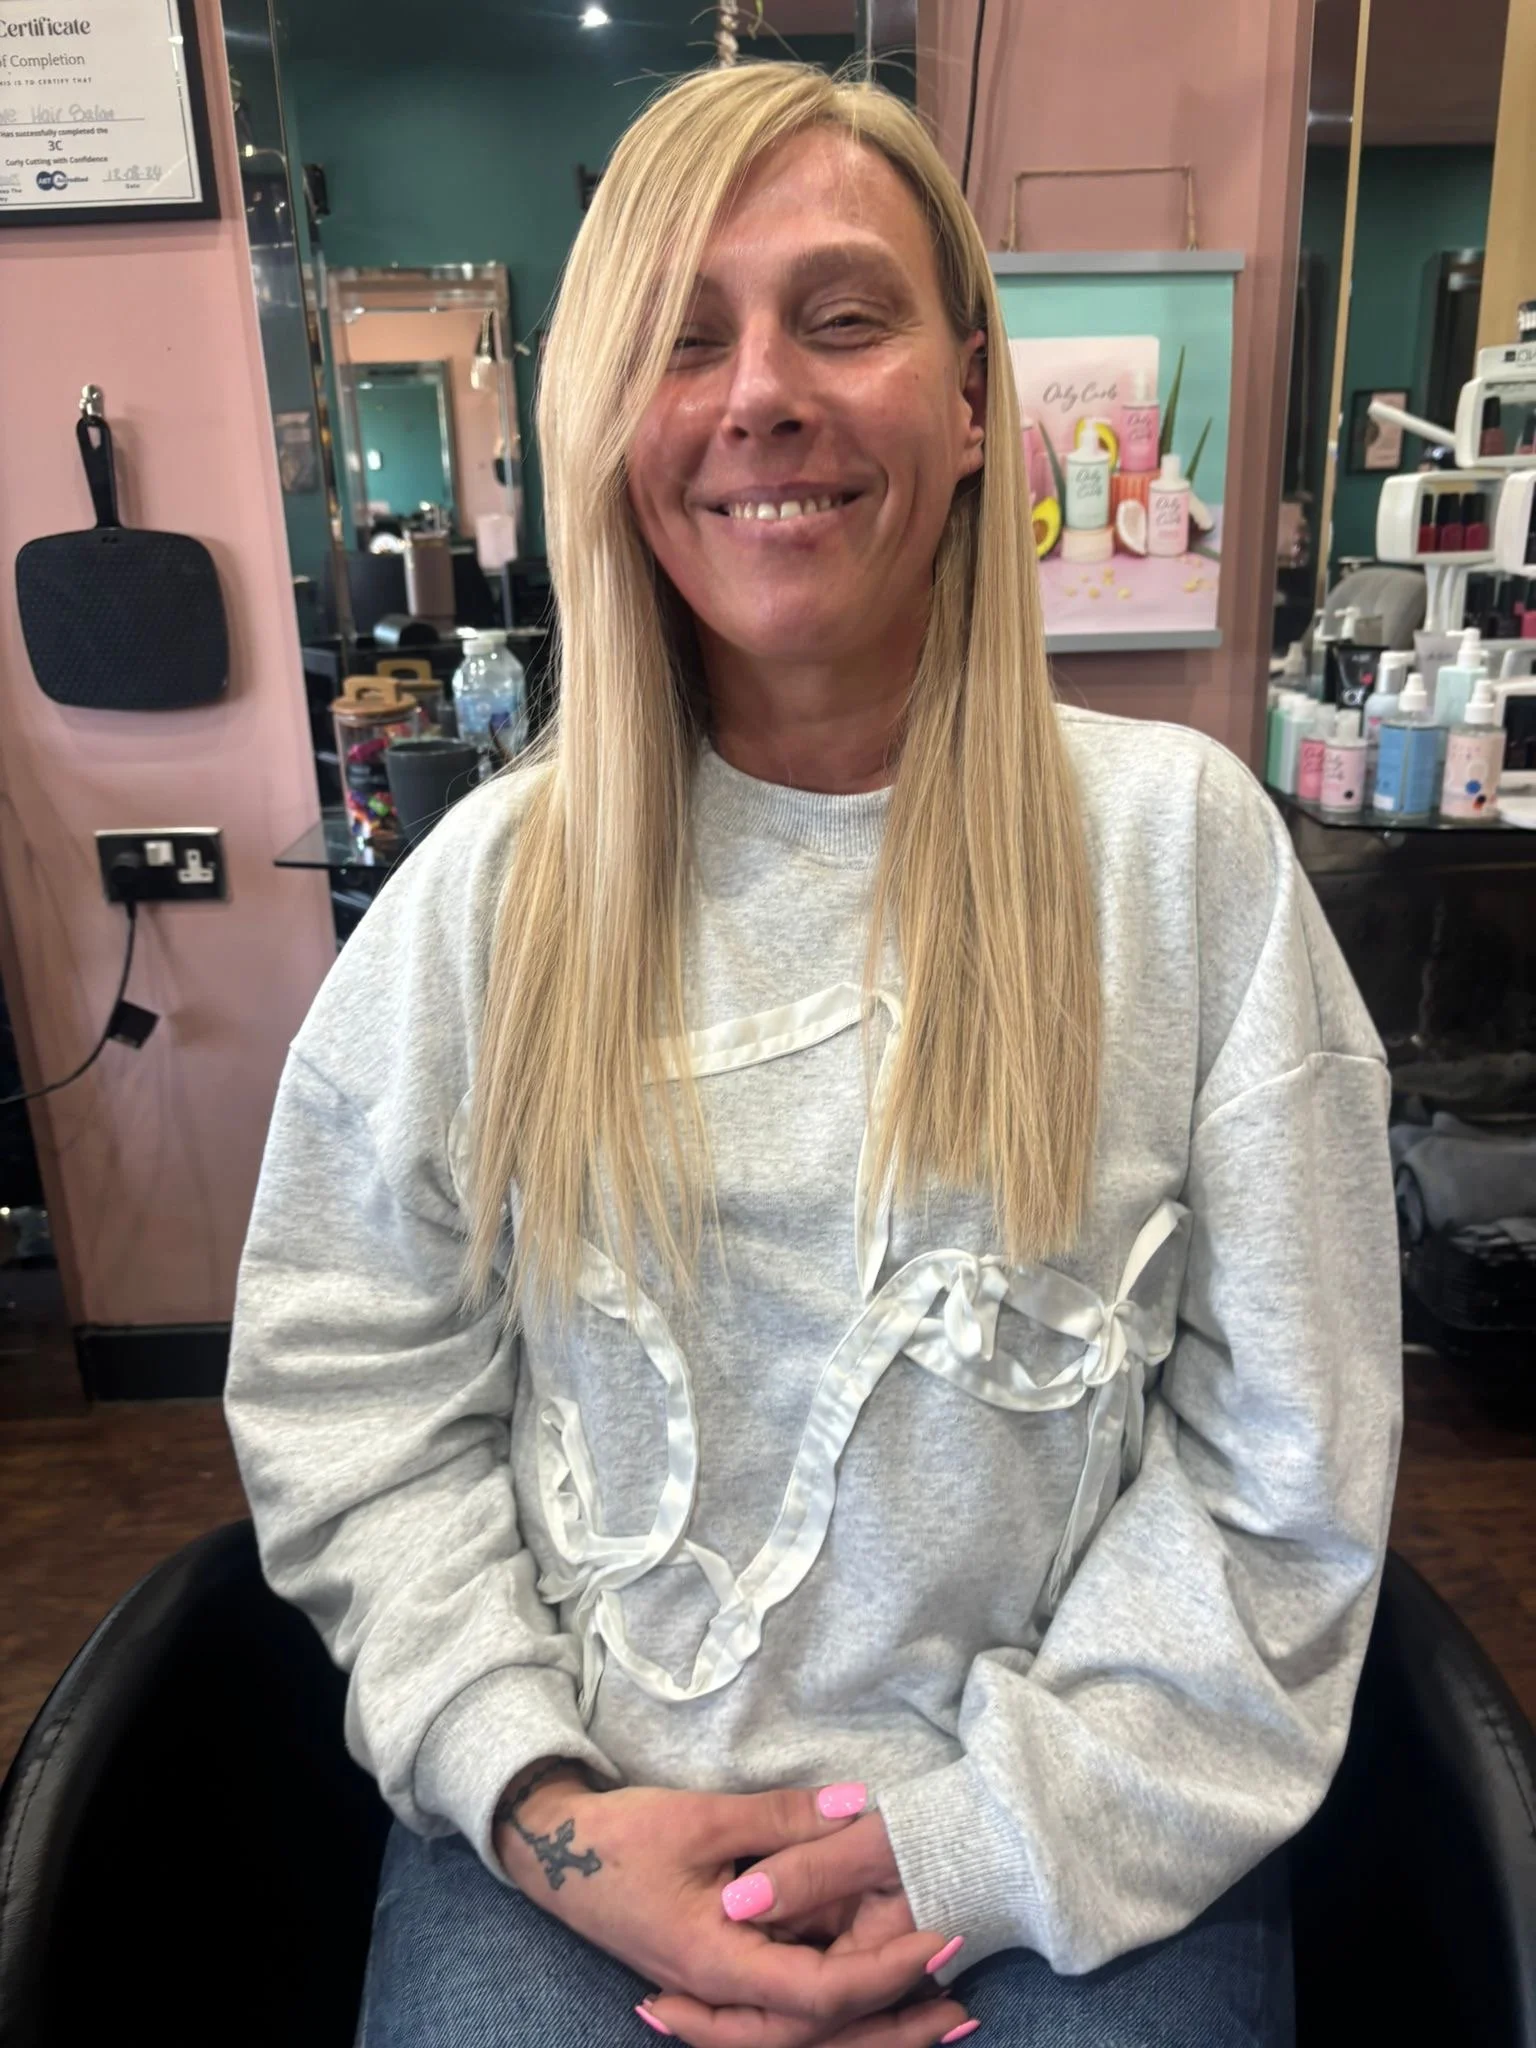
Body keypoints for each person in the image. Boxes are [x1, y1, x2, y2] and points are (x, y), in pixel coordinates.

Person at [226, 62, 1401, 2048]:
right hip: (587, 1832)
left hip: (1078, 1814)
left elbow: (1286, 1461)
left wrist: (971, 1844)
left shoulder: (1182, 863)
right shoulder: (484, 904)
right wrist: (545, 1800)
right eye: (684, 339)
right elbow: (352, 1401)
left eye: (841, 318)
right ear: (611, 420)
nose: (760, 391)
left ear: (971, 398)